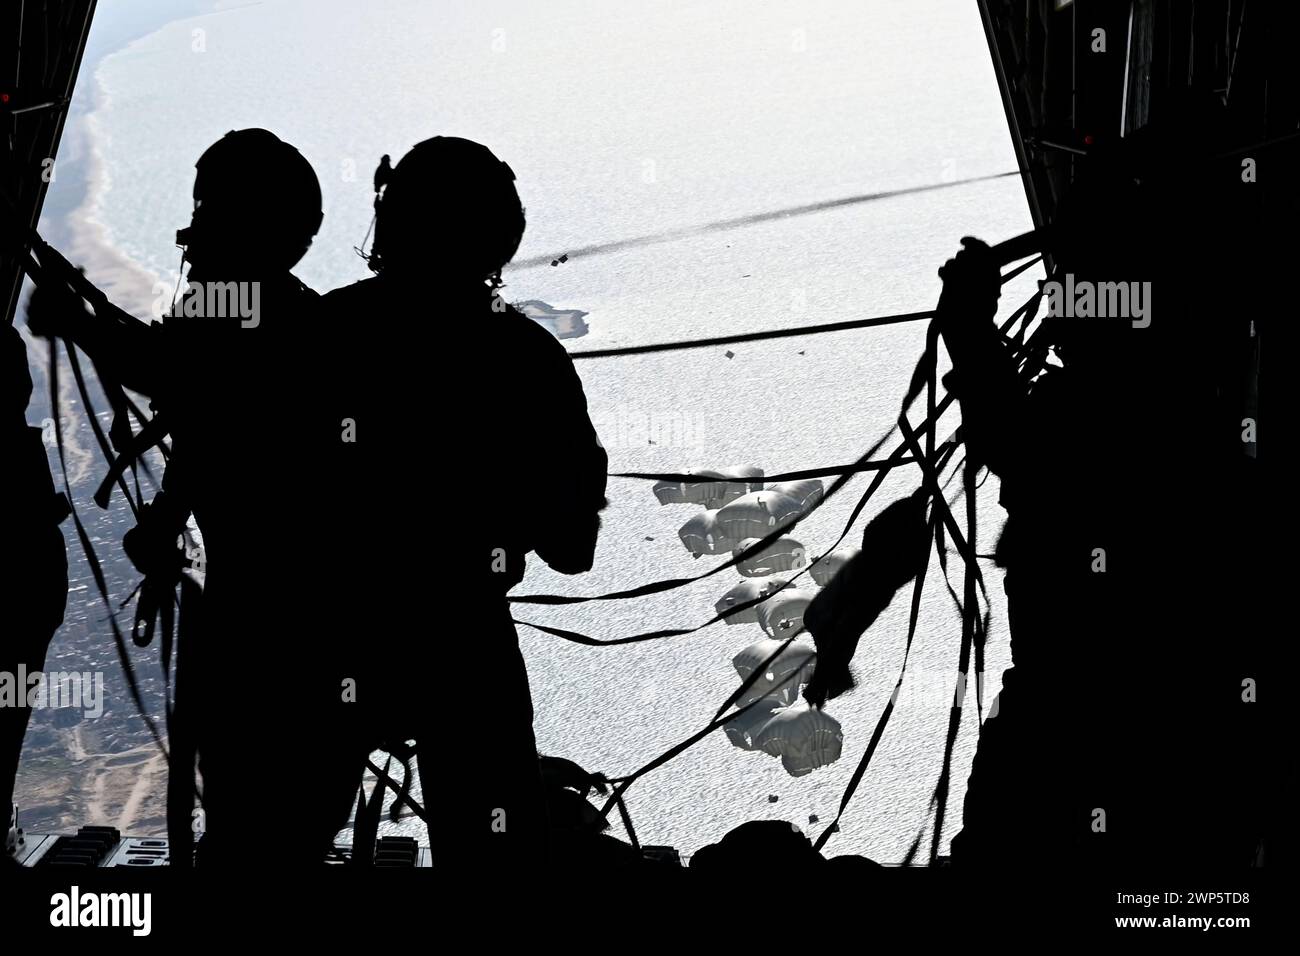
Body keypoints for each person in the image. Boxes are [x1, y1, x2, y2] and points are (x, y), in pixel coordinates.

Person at [27, 129, 365, 865]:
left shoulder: (246, 309)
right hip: (296, 617)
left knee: (253, 817)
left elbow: (179, 375)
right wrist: (170, 516)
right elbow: (209, 415)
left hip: (272, 619)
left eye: (207, 211)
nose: (192, 234)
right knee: (269, 819)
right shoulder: (284, 315)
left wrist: (80, 324)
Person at [937, 117, 1264, 867]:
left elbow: (1028, 448)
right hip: (1176, 738)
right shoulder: (1179, 398)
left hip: (1082, 729)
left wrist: (970, 331)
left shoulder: (1113, 408)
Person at [320, 136, 608, 871]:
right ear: (501, 237)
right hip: (462, 641)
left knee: (267, 852)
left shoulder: (320, 334)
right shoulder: (527, 360)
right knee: (495, 865)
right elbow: (572, 549)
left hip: (325, 637)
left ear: (391, 226)